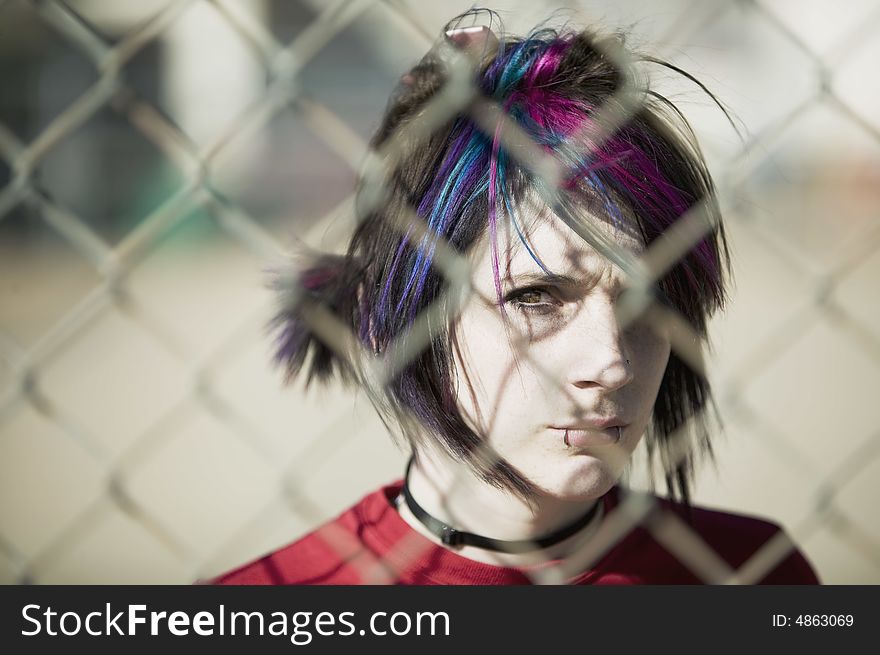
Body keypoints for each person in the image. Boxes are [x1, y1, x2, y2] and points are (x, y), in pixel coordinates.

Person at [212, 11, 819, 585]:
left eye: (647, 298)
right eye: (534, 297)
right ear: (389, 320)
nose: (612, 362)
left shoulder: (755, 573)